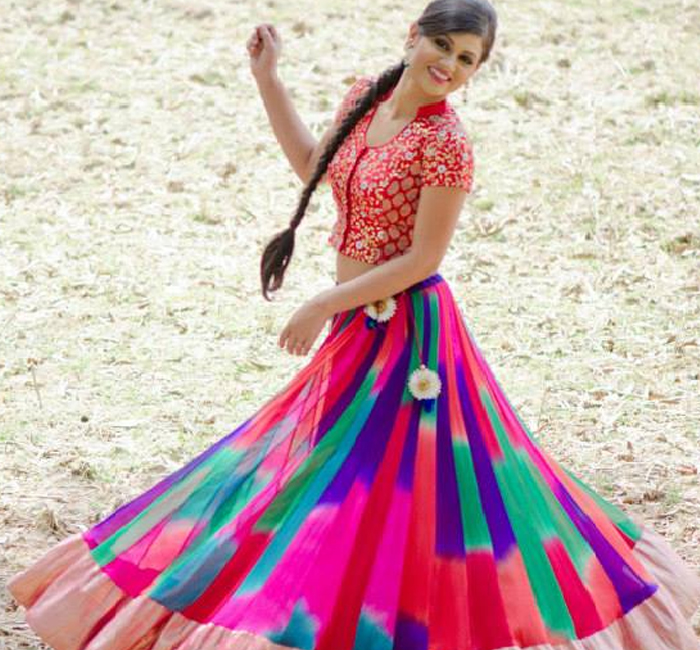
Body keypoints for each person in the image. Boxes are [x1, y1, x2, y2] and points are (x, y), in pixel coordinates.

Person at [6, 1, 700, 648]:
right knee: (336, 483)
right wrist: (268, 80)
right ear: (413, 35)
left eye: (467, 59)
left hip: (411, 338)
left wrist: (322, 303)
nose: (449, 65)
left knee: (421, 493)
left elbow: (422, 260)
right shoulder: (367, 99)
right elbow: (315, 167)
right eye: (442, 46)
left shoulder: (447, 144)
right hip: (360, 326)